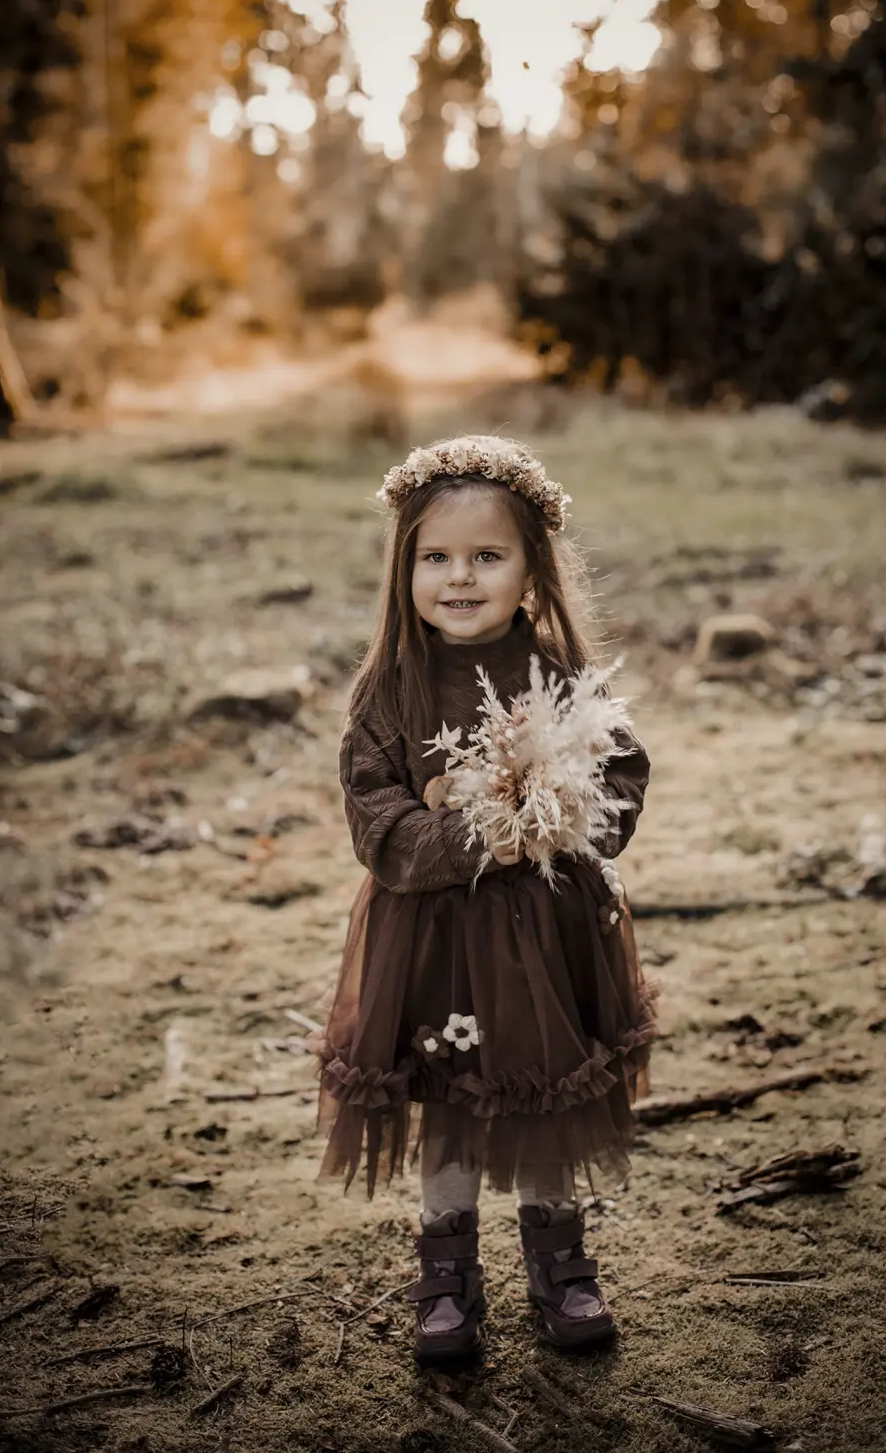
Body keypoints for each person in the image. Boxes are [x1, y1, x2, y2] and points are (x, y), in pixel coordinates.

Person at [317, 435, 653, 1359]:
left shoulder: (559, 671)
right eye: (436, 558)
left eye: (486, 556)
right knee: (455, 1102)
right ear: (405, 569)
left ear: (530, 569)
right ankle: (448, 1275)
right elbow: (378, 829)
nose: (458, 578)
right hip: (431, 945)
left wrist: (569, 812)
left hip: (547, 938)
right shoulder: (388, 688)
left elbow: (618, 780)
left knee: (545, 1093)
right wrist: (486, 831)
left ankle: (560, 1263)